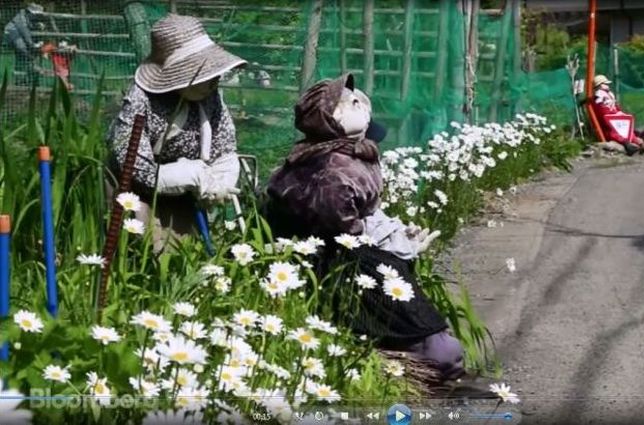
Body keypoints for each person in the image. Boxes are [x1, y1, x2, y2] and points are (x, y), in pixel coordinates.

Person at [264, 74, 466, 384]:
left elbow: (361, 217)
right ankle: (395, 359)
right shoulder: (330, 170)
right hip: (333, 262)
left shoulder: (346, 157)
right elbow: (343, 231)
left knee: (422, 324)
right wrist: (392, 243)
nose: (361, 105)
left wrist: (392, 235)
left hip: (348, 254)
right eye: (350, 102)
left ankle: (409, 351)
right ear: (329, 119)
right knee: (435, 347)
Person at [106, 14, 246, 251]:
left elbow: (223, 144)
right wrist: (187, 174)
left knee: (184, 253)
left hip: (183, 195)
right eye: (203, 74)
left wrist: (222, 174)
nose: (213, 81)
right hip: (135, 190)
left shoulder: (211, 98)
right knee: (142, 245)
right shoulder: (141, 102)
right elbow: (133, 167)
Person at [591, 74, 644, 156]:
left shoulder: (608, 95)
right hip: (607, 124)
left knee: (627, 129)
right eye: (605, 84)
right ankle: (627, 145)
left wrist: (620, 114)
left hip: (615, 119)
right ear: (600, 85)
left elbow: (616, 107)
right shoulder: (598, 98)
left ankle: (638, 144)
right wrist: (614, 116)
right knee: (614, 132)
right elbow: (603, 113)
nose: (608, 85)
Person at [3, 3, 45, 86]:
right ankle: (31, 65)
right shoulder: (21, 19)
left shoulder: (27, 17)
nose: (36, 16)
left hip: (19, 35)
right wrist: (32, 45)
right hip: (11, 33)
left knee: (23, 56)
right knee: (22, 48)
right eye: (35, 14)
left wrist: (36, 25)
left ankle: (26, 79)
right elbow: (25, 33)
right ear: (30, 12)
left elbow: (29, 27)